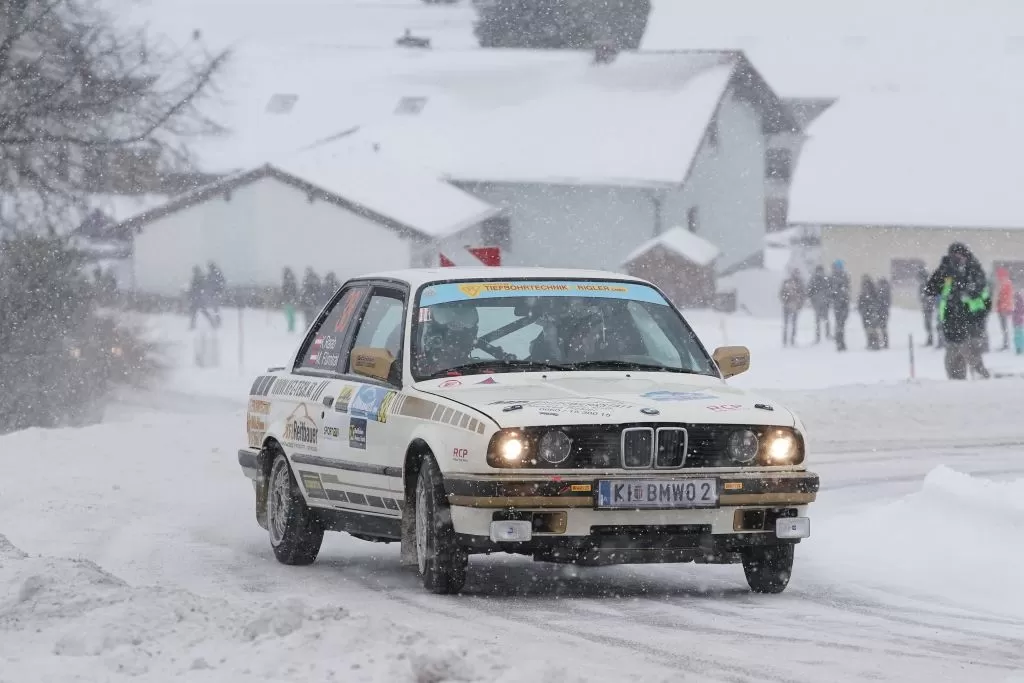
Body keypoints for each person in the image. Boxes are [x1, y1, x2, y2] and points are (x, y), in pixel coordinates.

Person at [924, 242, 991, 379]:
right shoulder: (946, 271)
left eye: (959, 255)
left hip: (972, 319)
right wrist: (943, 270)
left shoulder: (974, 269)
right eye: (954, 256)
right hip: (951, 319)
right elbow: (930, 289)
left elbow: (979, 292)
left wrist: (963, 284)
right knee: (954, 354)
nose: (957, 259)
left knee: (972, 351)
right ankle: (956, 383)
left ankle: (981, 380)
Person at [778, 269, 806, 347]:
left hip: (793, 306)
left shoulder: (797, 283)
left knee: (790, 324)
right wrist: (786, 301)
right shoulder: (795, 283)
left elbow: (803, 295)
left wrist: (799, 304)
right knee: (789, 324)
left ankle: (790, 340)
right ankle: (788, 340)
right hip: (791, 306)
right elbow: (781, 293)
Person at [829, 259, 851, 352]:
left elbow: (846, 289)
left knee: (840, 324)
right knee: (840, 324)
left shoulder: (837, 277)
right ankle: (840, 342)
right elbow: (846, 289)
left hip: (841, 303)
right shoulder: (838, 277)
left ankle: (840, 342)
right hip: (841, 303)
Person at [807, 265, 831, 343]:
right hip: (824, 301)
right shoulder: (826, 278)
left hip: (817, 301)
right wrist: (828, 299)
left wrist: (812, 298)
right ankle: (827, 334)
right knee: (826, 319)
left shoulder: (813, 278)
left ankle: (818, 336)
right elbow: (830, 290)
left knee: (818, 320)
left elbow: (809, 290)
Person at [187, 265, 215, 330]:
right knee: (200, 312)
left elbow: (197, 288)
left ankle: (192, 326)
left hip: (198, 298)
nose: (194, 272)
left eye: (195, 270)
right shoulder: (199, 277)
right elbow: (195, 288)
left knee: (198, 312)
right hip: (198, 298)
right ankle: (212, 323)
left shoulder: (198, 278)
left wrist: (193, 294)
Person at [857, 275, 881, 350]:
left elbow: (861, 301)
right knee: (871, 328)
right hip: (869, 312)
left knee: (870, 328)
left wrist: (862, 308)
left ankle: (872, 343)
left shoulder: (867, 290)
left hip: (868, 312)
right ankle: (873, 343)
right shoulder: (872, 290)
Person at [994, 267, 1015, 351]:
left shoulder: (1004, 283)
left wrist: (1002, 307)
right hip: (1004, 308)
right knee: (1004, 327)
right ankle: (1006, 343)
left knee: (1004, 327)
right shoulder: (1006, 282)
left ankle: (1006, 344)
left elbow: (1004, 297)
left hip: (1003, 308)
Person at [917, 267, 937, 346]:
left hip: (929, 308)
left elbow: (931, 296)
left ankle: (930, 339)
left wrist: (927, 301)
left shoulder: (928, 284)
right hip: (927, 307)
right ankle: (929, 338)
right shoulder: (923, 285)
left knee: (929, 323)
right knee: (927, 324)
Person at [205, 261, 225, 327]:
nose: (209, 268)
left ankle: (217, 321)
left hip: (215, 293)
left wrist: (219, 290)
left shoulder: (216, 273)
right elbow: (208, 283)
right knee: (214, 308)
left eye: (210, 266)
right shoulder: (211, 274)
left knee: (215, 308)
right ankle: (216, 320)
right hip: (212, 293)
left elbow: (222, 281)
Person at [876, 277, 892, 349]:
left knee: (882, 327)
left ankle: (884, 342)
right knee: (883, 328)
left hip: (882, 311)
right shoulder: (887, 291)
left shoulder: (883, 291)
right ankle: (884, 342)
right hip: (883, 311)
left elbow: (884, 302)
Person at [281, 267, 298, 333]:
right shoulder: (291, 280)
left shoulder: (287, 281)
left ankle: (291, 328)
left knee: (289, 316)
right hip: (290, 301)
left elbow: (285, 291)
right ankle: (291, 328)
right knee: (291, 316)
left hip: (288, 301)